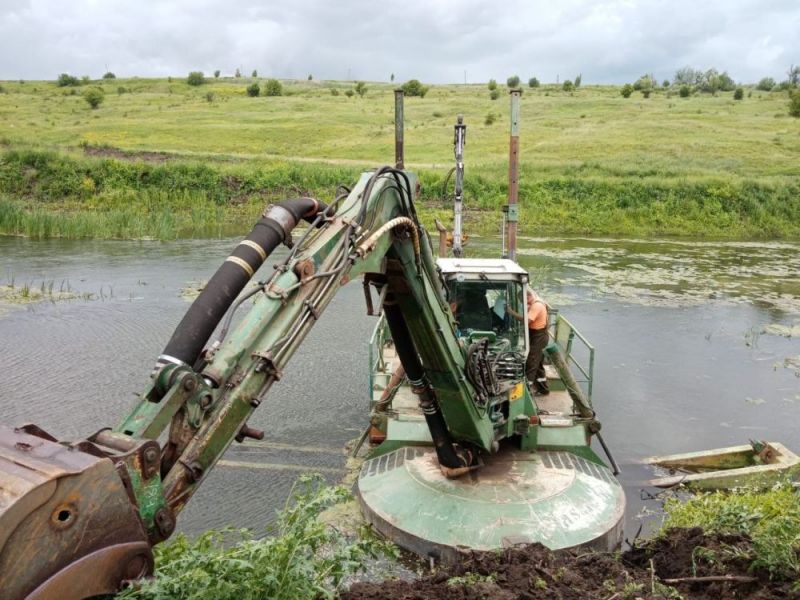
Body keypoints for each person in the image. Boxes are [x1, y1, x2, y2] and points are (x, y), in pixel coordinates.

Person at [507, 288, 550, 395]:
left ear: (528, 296)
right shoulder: (534, 303)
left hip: (539, 336)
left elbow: (527, 320)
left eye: (522, 300)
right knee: (538, 363)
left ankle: (526, 392)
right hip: (535, 334)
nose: (522, 303)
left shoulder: (537, 305)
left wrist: (511, 312)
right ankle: (543, 389)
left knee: (531, 362)